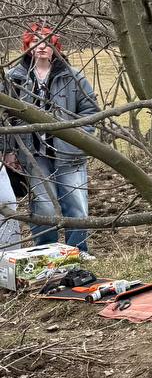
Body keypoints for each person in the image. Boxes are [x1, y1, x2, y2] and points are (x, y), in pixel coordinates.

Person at [5, 24, 100, 256]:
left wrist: (79, 139)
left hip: (70, 154)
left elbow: (91, 111)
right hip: (33, 155)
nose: (41, 47)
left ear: (55, 46)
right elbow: (4, 117)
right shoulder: (13, 79)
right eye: (35, 42)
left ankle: (78, 253)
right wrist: (8, 151)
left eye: (47, 42)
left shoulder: (72, 76)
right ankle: (45, 255)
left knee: (76, 206)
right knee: (43, 207)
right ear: (27, 47)